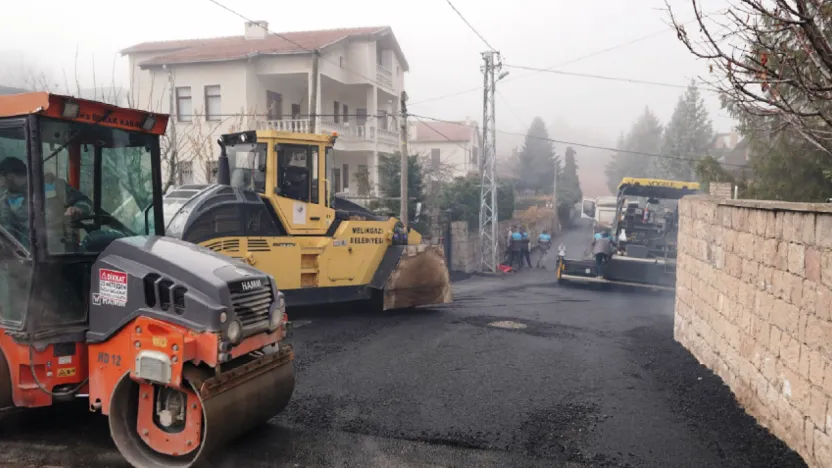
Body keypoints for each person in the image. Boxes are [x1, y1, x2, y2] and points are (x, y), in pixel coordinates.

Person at [0, 157, 92, 250]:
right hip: (29, 254)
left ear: (10, 177)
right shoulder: (6, 201)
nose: (1, 185)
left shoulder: (54, 185)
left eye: (1, 180)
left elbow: (85, 202)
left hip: (63, 250)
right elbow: (7, 230)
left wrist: (78, 208)